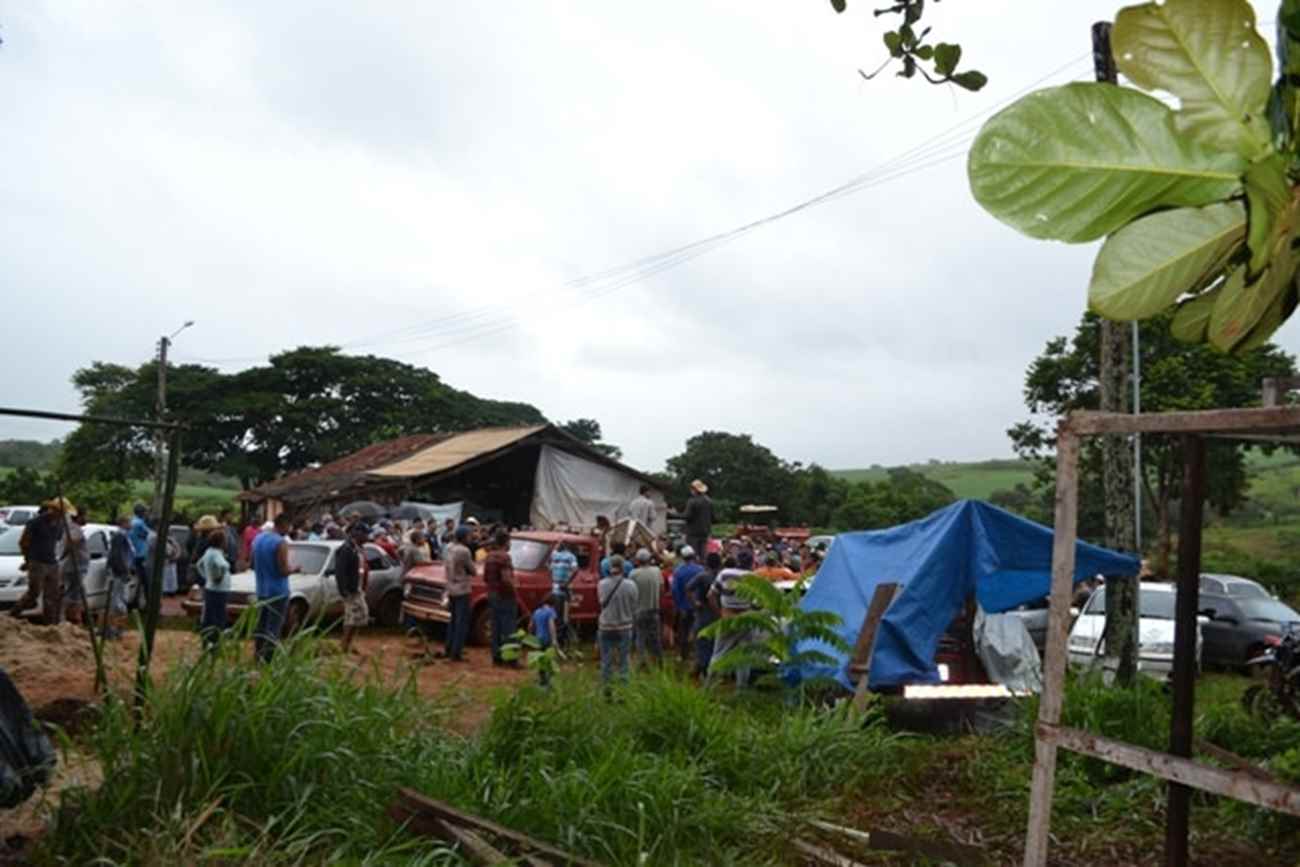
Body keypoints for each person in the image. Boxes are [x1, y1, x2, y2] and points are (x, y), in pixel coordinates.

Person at [251, 513, 301, 663]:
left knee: (261, 625)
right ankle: (268, 659)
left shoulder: (258, 539)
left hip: (262, 589)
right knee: (273, 627)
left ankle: (257, 655)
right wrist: (295, 569)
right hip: (278, 591)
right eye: (289, 526)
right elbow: (283, 570)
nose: (290, 529)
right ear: (284, 524)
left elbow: (252, 563)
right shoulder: (280, 542)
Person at [11, 501, 67, 624]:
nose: (61, 516)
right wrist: (28, 560)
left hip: (52, 562)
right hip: (37, 561)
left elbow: (57, 540)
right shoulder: (35, 523)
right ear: (53, 511)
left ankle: (50, 623)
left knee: (51, 595)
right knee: (34, 593)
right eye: (60, 513)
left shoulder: (59, 524)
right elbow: (24, 542)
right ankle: (14, 613)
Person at [708, 550, 756, 687]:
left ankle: (709, 687)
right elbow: (757, 604)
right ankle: (741, 689)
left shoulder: (724, 574)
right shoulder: (753, 578)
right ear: (751, 563)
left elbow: (710, 596)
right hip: (746, 620)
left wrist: (719, 613)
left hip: (727, 617)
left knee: (719, 653)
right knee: (744, 657)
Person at [597, 555, 639, 695]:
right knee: (623, 660)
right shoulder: (631, 585)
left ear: (610, 567)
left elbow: (601, 603)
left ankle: (606, 691)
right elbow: (634, 605)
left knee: (606, 660)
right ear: (623, 567)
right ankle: (623, 692)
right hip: (624, 626)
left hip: (606, 626)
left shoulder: (601, 584)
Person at [482, 529, 516, 666]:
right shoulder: (505, 557)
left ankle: (496, 657)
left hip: (492, 594)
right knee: (509, 628)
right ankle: (511, 658)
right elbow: (506, 579)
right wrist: (514, 588)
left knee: (495, 626)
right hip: (505, 595)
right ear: (506, 542)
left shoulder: (489, 556)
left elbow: (485, 578)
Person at [334, 523, 370, 654]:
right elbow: (340, 571)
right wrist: (343, 590)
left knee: (360, 616)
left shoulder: (357, 548)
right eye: (365, 534)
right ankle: (344, 646)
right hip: (350, 589)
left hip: (357, 587)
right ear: (357, 533)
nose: (367, 537)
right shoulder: (346, 549)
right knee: (351, 617)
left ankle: (348, 643)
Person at [443, 524, 475, 661]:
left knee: (453, 620)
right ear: (464, 537)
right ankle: (456, 652)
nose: (471, 538)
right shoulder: (464, 551)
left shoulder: (449, 548)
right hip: (462, 588)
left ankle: (449, 647)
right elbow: (473, 570)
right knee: (461, 622)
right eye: (469, 535)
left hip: (450, 587)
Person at [195, 528, 232, 649]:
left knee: (209, 617)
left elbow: (199, 565)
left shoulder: (208, 551)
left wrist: (206, 577)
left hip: (210, 588)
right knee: (219, 617)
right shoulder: (217, 553)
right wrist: (220, 575)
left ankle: (206, 642)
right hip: (219, 590)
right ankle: (215, 643)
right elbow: (223, 565)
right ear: (221, 542)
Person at [689, 552, 721, 678]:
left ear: (707, 563)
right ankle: (710, 669)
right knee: (715, 642)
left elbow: (688, 588)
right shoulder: (722, 576)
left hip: (703, 612)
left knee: (702, 641)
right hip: (718, 613)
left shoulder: (702, 576)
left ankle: (702, 667)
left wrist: (695, 602)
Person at [630, 548, 663, 665]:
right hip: (654, 609)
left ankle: (642, 661)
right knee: (655, 637)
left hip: (639, 610)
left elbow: (631, 592)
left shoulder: (633, 574)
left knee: (640, 637)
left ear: (638, 560)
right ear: (649, 559)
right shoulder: (656, 571)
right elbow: (662, 589)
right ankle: (659, 660)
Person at [672, 546, 704, 663]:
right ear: (693, 556)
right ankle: (697, 655)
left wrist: (678, 604)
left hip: (684, 606)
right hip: (698, 606)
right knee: (698, 630)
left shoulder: (678, 571)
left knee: (684, 631)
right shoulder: (700, 569)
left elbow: (674, 590)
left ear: (682, 557)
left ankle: (683, 655)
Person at [61, 511, 89, 626]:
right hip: (75, 566)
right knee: (74, 593)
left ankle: (73, 618)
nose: (87, 518)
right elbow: (71, 542)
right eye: (85, 515)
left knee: (77, 591)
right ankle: (71, 618)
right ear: (79, 517)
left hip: (75, 565)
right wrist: (64, 555)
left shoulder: (71, 528)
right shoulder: (75, 529)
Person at [548, 542, 578, 647]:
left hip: (558, 589)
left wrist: (553, 579)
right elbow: (575, 570)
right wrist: (567, 582)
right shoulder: (570, 556)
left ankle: (559, 639)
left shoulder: (556, 555)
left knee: (558, 615)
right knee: (563, 615)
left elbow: (549, 567)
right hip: (564, 589)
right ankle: (561, 639)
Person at [530, 593, 560, 687]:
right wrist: (554, 640)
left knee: (541, 660)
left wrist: (532, 636)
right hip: (547, 639)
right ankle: (549, 682)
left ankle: (541, 680)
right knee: (550, 660)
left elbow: (531, 626)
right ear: (553, 603)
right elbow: (551, 626)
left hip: (538, 640)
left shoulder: (537, 611)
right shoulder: (551, 611)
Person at [683, 480, 713, 560]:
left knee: (693, 554)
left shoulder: (692, 501)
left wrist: (675, 515)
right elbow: (712, 517)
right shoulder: (709, 501)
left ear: (694, 490)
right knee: (703, 554)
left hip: (693, 533)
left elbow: (687, 516)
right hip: (705, 532)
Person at [129, 503, 151, 582]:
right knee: (143, 579)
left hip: (134, 553)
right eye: (145, 511)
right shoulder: (139, 523)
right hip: (140, 553)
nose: (147, 513)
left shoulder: (132, 521)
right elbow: (149, 534)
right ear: (141, 512)